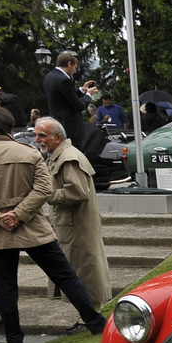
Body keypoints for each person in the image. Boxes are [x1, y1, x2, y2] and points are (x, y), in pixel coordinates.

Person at [0, 107, 105, 343]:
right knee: (65, 275)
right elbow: (43, 188)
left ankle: (15, 342)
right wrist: (20, 213)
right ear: (9, 127)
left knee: (5, 287)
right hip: (33, 226)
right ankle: (95, 322)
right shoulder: (28, 153)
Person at [34, 117, 110, 316]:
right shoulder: (60, 156)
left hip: (77, 225)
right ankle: (88, 315)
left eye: (42, 135)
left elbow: (78, 192)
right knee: (79, 268)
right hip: (70, 225)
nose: (37, 139)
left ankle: (91, 316)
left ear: (58, 137)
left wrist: (47, 194)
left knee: (85, 268)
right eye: (35, 134)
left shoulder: (69, 158)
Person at [43, 51, 96, 143]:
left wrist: (82, 90)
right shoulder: (64, 80)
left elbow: (65, 97)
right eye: (75, 67)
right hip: (70, 127)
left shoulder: (49, 76)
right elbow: (78, 106)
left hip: (57, 122)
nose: (75, 71)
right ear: (69, 64)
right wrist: (89, 95)